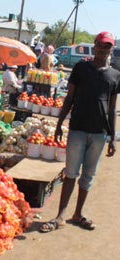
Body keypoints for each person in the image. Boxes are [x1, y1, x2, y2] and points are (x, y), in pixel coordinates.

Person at [39, 31, 120, 233]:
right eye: (100, 45)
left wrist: (112, 137)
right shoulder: (81, 68)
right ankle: (60, 216)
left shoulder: (115, 75)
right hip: (78, 129)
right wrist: (59, 124)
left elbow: (112, 108)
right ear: (94, 46)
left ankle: (78, 214)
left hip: (100, 133)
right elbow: (69, 98)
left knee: (88, 176)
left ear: (111, 49)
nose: (103, 49)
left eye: (107, 46)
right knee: (70, 173)